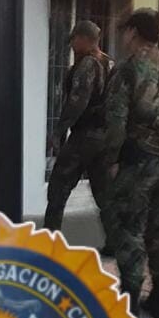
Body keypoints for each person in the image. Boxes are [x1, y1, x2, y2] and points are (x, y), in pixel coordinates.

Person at [102, 9, 159, 318]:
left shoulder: (127, 68)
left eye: (125, 31)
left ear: (134, 32)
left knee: (129, 228)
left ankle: (130, 303)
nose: (123, 37)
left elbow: (116, 119)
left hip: (136, 159)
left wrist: (112, 158)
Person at [44, 20, 113, 246]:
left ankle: (49, 241)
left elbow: (77, 102)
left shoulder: (87, 65)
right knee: (104, 193)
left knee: (58, 187)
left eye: (74, 39)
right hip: (104, 137)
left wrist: (58, 132)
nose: (72, 45)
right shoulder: (109, 63)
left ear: (84, 39)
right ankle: (114, 242)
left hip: (85, 136)